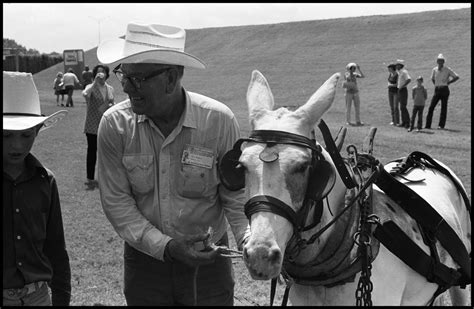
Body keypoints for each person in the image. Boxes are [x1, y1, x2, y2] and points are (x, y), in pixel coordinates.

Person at [96, 22, 250, 306]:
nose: (126, 87)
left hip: (209, 264)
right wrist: (166, 247)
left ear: (170, 78)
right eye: (123, 76)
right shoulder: (115, 125)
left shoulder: (218, 121)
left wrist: (249, 241)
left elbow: (235, 194)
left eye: (138, 79)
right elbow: (117, 202)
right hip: (146, 264)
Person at [3, 71, 71, 306]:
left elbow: (56, 247)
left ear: (38, 130)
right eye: (5, 136)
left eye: (26, 135)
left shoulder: (46, 181)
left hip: (38, 296)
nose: (16, 145)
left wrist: (61, 298)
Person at [82, 64, 115, 190]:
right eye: (98, 72)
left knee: (105, 150)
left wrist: (112, 105)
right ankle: (90, 177)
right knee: (92, 150)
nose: (100, 74)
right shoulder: (90, 87)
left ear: (107, 75)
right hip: (92, 124)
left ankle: (105, 176)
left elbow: (112, 101)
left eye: (103, 72)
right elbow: (85, 94)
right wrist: (95, 83)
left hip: (106, 122)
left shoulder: (110, 88)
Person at [425, 53, 460, 129]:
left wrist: (449, 82)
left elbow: (456, 76)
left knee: (443, 108)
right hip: (437, 89)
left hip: (444, 89)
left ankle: (441, 125)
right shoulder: (434, 69)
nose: (440, 62)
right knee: (431, 107)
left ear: (443, 62)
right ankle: (427, 125)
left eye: (441, 61)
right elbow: (432, 78)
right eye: (439, 61)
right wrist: (436, 85)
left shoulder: (447, 69)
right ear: (437, 61)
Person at [395, 59, 411, 128]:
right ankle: (404, 122)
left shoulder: (404, 72)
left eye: (398, 65)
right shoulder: (399, 72)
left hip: (403, 90)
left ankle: (407, 122)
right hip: (399, 90)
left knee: (403, 106)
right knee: (401, 107)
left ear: (401, 66)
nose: (397, 66)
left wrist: (402, 86)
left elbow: (408, 79)